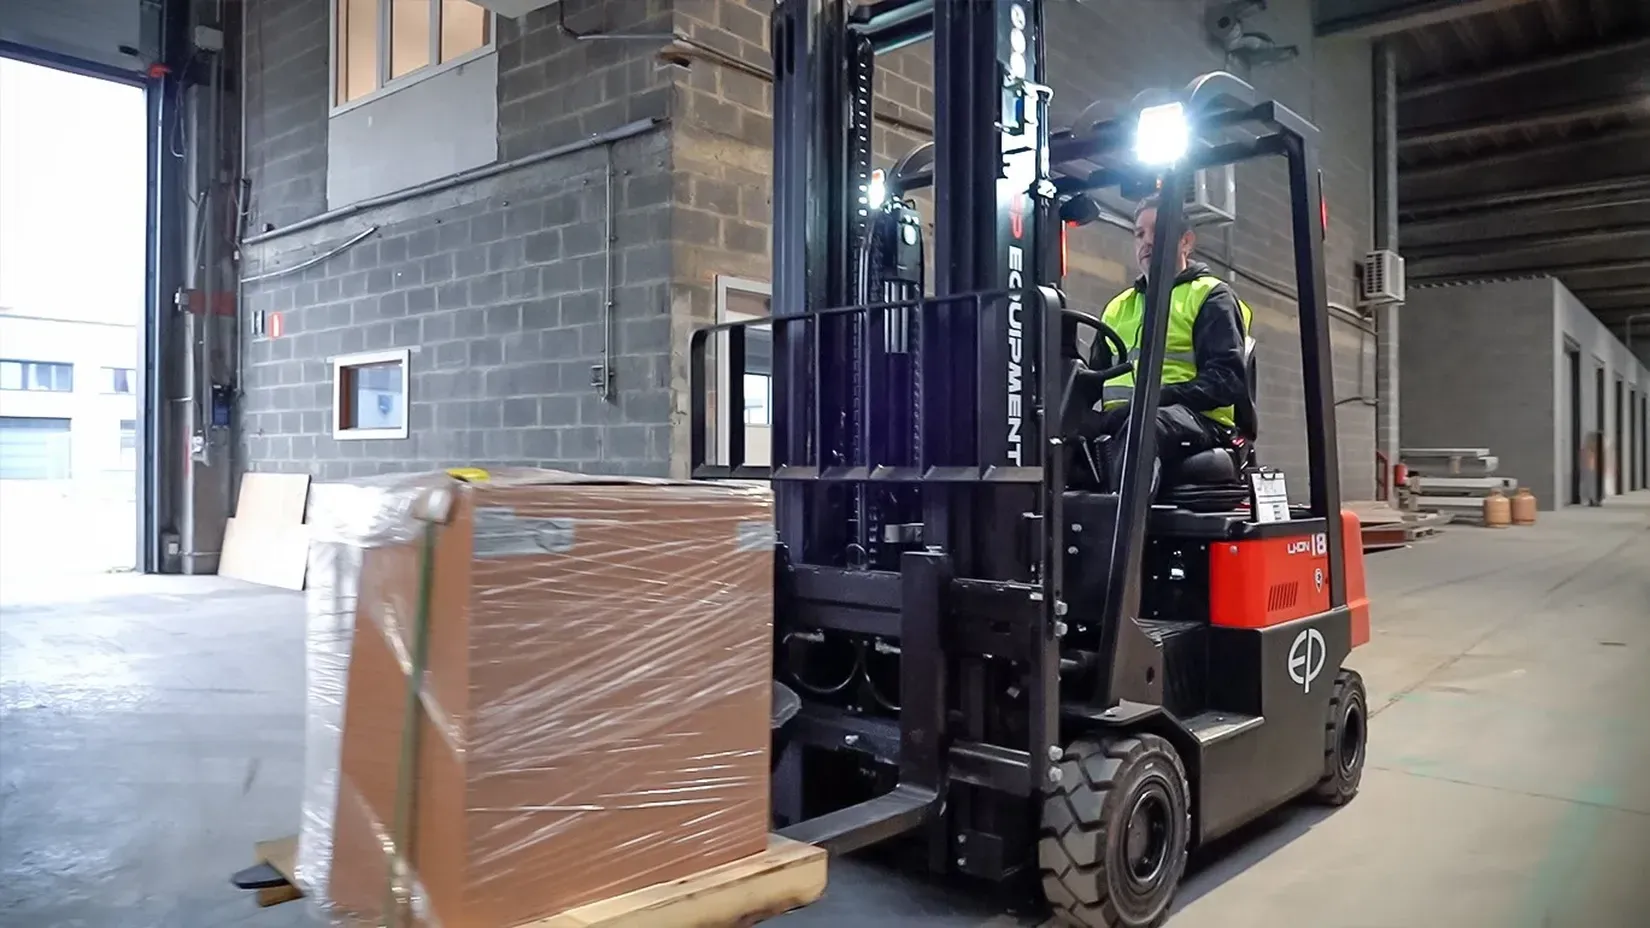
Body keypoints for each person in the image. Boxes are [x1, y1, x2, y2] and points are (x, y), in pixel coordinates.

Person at [1081, 193, 1255, 494]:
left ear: (1185, 242)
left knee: (1144, 425)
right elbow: (1092, 378)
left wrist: (1153, 399)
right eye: (1139, 234)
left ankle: (1121, 523)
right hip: (1126, 418)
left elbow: (1226, 381)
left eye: (1158, 231)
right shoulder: (1118, 307)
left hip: (1198, 421)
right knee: (1061, 438)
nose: (1147, 241)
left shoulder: (1210, 296)